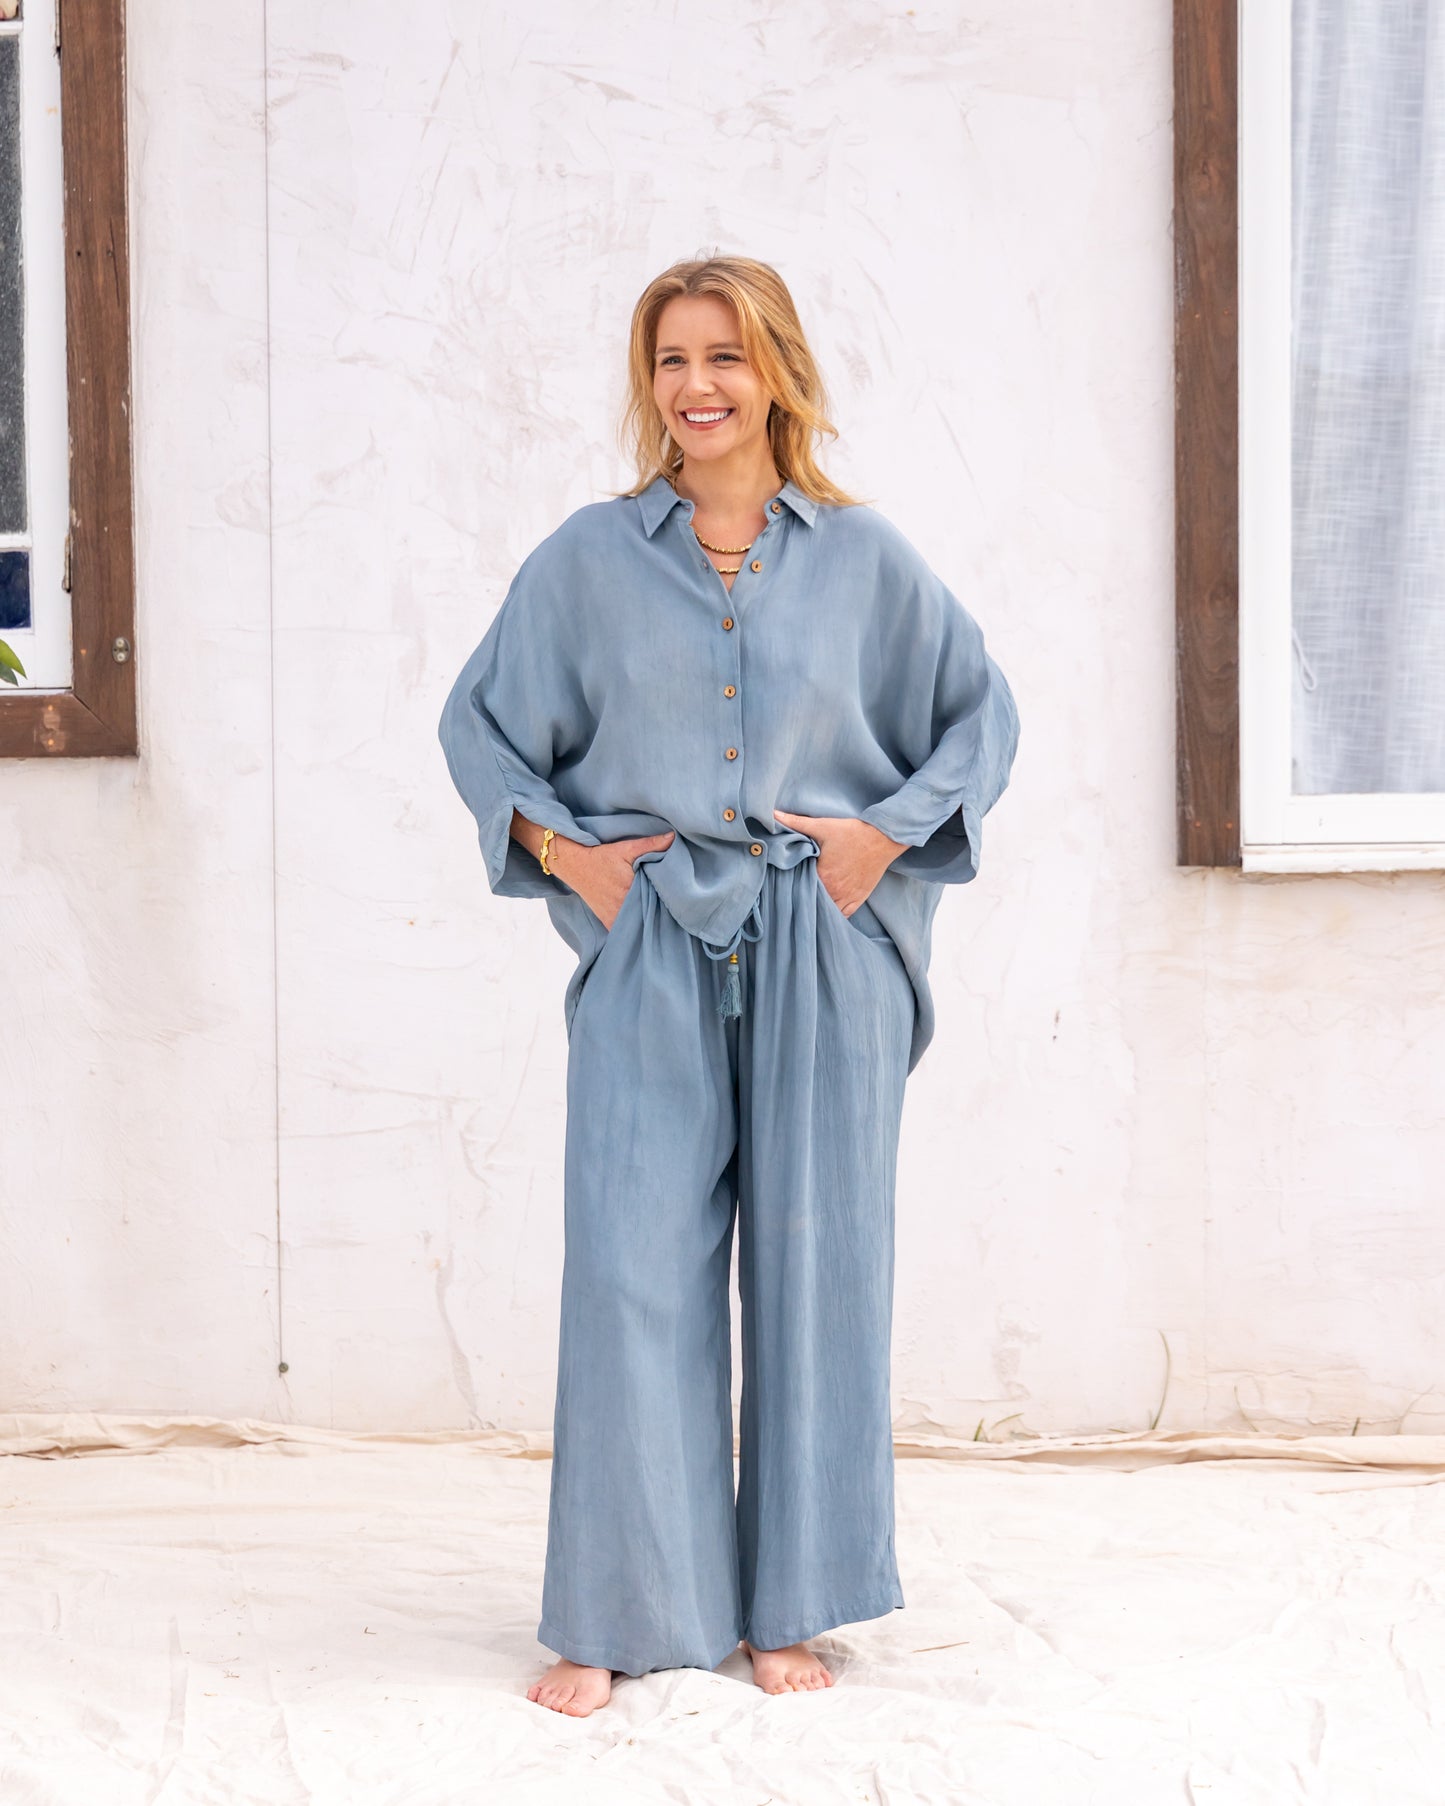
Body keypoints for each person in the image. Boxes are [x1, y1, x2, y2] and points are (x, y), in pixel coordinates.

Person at [438, 254, 1021, 1717]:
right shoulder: (585, 558)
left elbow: (979, 716)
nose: (695, 386)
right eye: (670, 359)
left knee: (818, 1274)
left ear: (777, 374)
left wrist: (878, 835)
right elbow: (479, 728)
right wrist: (572, 860)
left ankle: (790, 1601)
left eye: (725, 356)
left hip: (825, 948)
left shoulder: (864, 558)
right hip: (649, 945)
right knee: (632, 1270)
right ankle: (624, 1603)